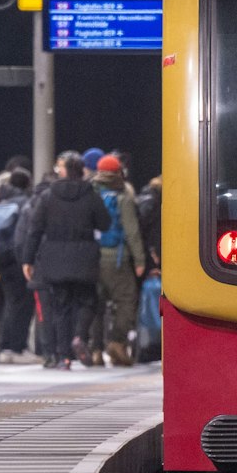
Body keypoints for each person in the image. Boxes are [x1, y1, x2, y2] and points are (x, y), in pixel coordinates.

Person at [20, 151, 110, 369]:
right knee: (88, 300)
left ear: (65, 171)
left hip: (55, 257)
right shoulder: (91, 194)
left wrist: (27, 260)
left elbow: (34, 230)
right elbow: (105, 223)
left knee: (61, 307)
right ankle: (79, 336)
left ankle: (64, 357)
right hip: (84, 256)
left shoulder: (48, 196)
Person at [89, 154, 146, 367]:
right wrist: (140, 260)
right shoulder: (123, 197)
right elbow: (132, 231)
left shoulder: (90, 194)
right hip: (117, 258)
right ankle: (117, 342)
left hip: (92, 257)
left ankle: (95, 350)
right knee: (126, 300)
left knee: (97, 304)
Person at [0, 170, 36, 363]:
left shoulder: (2, 201)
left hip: (1, 259)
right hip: (19, 258)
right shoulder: (25, 203)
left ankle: (4, 346)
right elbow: (28, 233)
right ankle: (16, 347)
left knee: (9, 303)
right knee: (23, 303)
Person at [135, 174, 163, 362]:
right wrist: (152, 262)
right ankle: (150, 347)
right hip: (149, 261)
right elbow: (146, 235)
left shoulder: (144, 200)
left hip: (144, 260)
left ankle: (147, 347)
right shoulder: (153, 203)